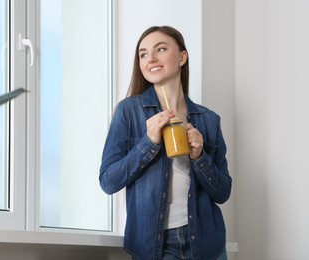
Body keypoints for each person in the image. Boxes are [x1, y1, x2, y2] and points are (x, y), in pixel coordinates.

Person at [99, 25, 232, 260]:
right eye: (143, 54)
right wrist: (148, 143)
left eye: (160, 49)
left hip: (206, 244)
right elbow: (108, 181)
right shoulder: (128, 112)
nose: (151, 59)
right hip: (155, 247)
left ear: (182, 57)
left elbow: (223, 193)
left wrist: (200, 156)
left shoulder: (209, 120)